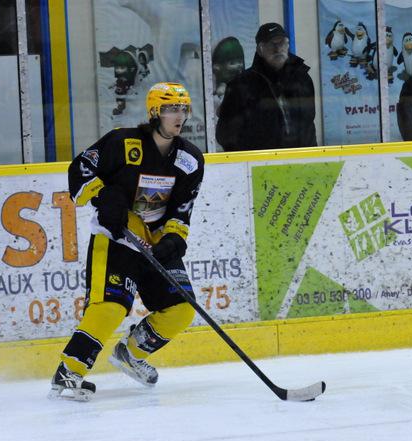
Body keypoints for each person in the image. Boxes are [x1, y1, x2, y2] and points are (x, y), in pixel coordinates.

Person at [50, 82, 204, 401]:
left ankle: (131, 354)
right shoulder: (123, 142)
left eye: (183, 109)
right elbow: (80, 169)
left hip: (153, 243)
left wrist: (173, 239)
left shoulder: (189, 159)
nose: (179, 116)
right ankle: (68, 373)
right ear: (155, 112)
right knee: (110, 307)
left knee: (180, 309)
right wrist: (103, 196)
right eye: (171, 109)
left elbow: (182, 209)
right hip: (117, 239)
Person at [216, 22, 316, 151]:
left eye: (281, 43)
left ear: (287, 45)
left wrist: (312, 155)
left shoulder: (302, 79)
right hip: (260, 161)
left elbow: (309, 125)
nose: (278, 49)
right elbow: (225, 135)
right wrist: (250, 158)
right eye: (271, 44)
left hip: (303, 159)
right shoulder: (240, 86)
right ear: (260, 50)